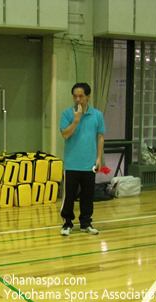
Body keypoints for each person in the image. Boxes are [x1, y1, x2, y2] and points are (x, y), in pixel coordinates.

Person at [59, 83, 105, 236]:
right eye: (75, 96)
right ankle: (67, 223)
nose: (77, 99)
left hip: (89, 163)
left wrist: (99, 158)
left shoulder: (97, 115)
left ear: (88, 96)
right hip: (72, 163)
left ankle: (86, 223)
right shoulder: (66, 114)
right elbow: (65, 134)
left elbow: (100, 137)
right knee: (69, 196)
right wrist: (76, 119)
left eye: (81, 96)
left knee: (87, 196)